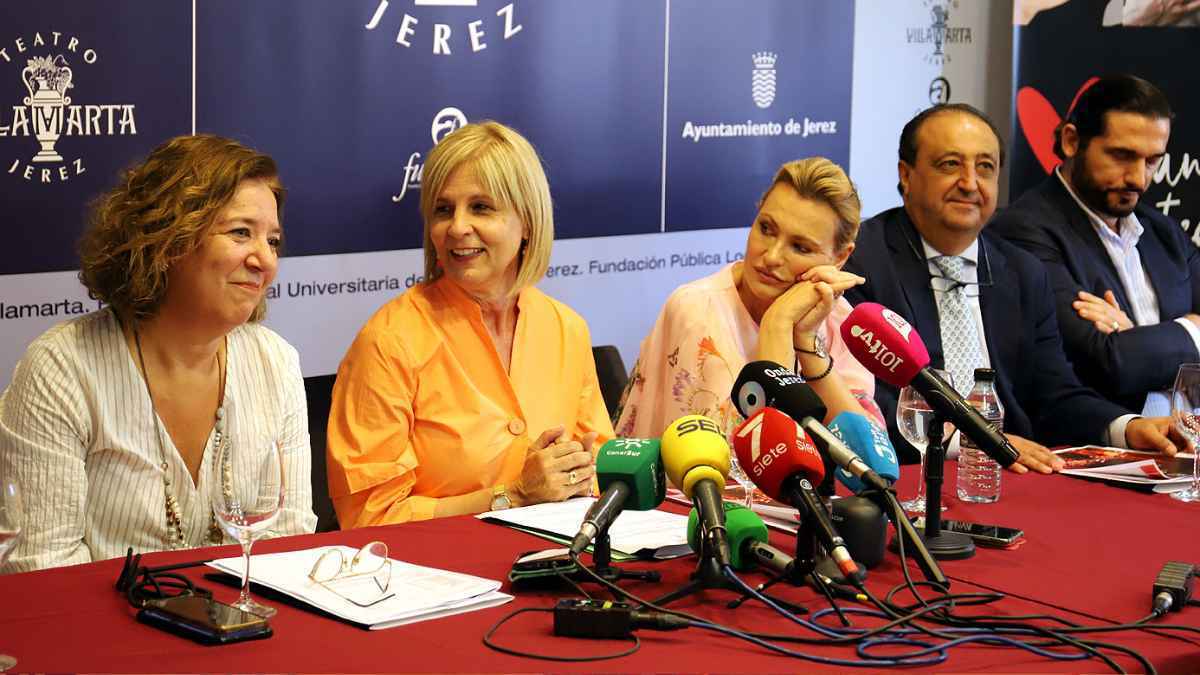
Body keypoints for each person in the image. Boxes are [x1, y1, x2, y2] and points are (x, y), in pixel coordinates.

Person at [0, 135, 316, 573]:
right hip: (98, 635)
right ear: (169, 240)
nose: (265, 259)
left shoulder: (276, 363)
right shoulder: (62, 368)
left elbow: (285, 545)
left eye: (274, 241)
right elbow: (43, 570)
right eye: (241, 233)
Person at [843, 104, 1181, 472]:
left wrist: (1129, 428)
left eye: (985, 167)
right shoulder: (862, 262)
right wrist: (976, 439)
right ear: (906, 175)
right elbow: (866, 401)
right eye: (950, 165)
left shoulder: (1022, 271)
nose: (970, 183)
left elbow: (1056, 395)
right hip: (911, 473)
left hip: (1013, 479)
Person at [326, 121, 612, 527]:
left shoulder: (566, 328)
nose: (457, 227)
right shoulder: (388, 340)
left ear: (527, 221)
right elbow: (367, 519)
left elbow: (602, 469)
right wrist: (513, 496)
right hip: (431, 577)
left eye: (481, 207)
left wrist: (580, 477)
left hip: (555, 563)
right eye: (444, 210)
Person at [616, 157, 884, 446]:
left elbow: (870, 456)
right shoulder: (696, 309)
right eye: (766, 229)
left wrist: (805, 342)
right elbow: (748, 463)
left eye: (800, 247)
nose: (771, 256)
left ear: (840, 258)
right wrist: (778, 325)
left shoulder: (839, 319)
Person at [991, 75, 1200, 415]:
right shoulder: (1025, 230)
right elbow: (1109, 363)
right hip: (1104, 449)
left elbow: (1125, 352)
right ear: (1072, 141)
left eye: (1152, 161)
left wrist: (1136, 336)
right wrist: (1191, 329)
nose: (1139, 178)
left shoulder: (1162, 231)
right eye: (1122, 155)